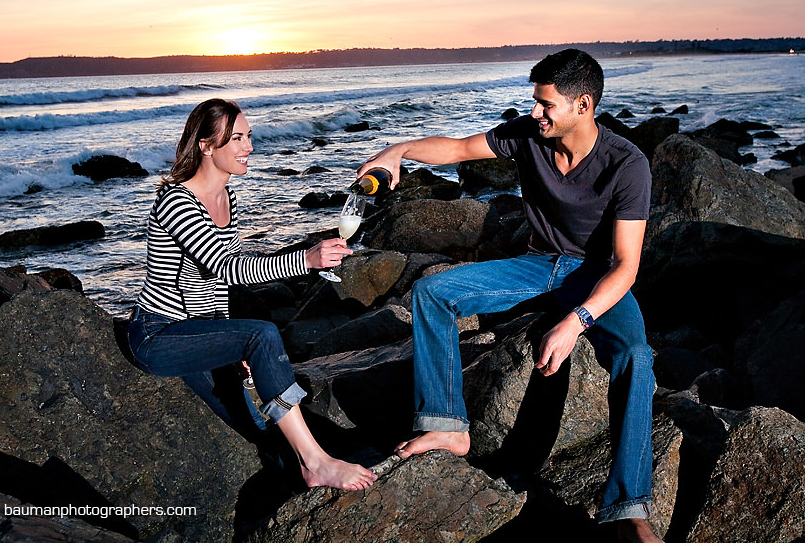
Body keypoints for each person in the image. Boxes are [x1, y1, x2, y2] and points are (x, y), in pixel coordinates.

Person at [357, 49, 661, 541]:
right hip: (536, 265)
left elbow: (627, 267)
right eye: (535, 103)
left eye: (546, 105)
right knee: (433, 291)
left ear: (583, 105)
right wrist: (399, 150)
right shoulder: (527, 135)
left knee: (636, 355)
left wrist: (575, 322)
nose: (535, 113)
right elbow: (456, 149)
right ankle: (448, 425)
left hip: (595, 276)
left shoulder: (627, 164)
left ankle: (628, 505)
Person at [128, 98, 376, 491]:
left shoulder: (228, 197)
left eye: (249, 137)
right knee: (263, 333)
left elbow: (212, 284)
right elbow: (225, 266)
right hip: (160, 336)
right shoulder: (175, 201)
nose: (249, 147)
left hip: (201, 332)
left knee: (263, 428)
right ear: (206, 146)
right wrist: (306, 259)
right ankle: (316, 463)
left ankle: (300, 483)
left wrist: (227, 342)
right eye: (238, 138)